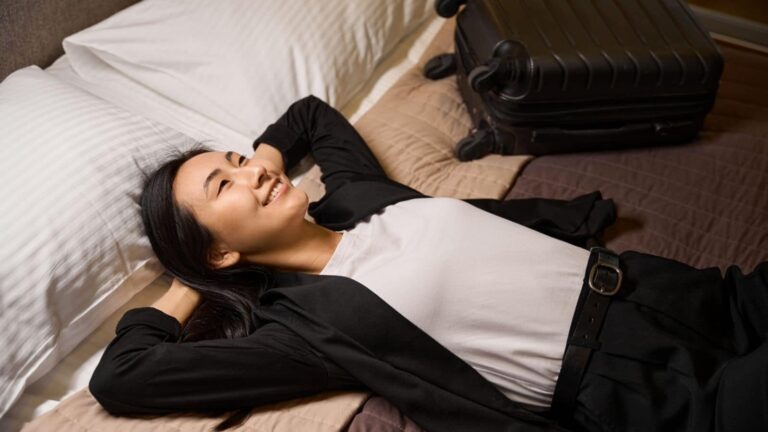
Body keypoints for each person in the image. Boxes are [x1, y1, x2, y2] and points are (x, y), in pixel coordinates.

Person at [89, 95, 768, 432]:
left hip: (686, 293)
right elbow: (123, 378)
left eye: (235, 161)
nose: (249, 175)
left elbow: (312, 118)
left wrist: (260, 166)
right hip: (647, 393)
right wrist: (193, 279)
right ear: (219, 249)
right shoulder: (306, 331)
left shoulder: (356, 198)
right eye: (222, 188)